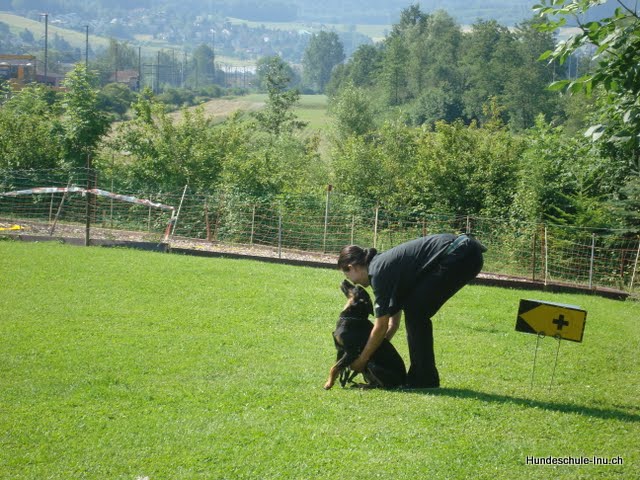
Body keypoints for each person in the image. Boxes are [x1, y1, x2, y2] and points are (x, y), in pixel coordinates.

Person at [337, 233, 486, 388]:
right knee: (415, 309)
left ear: (352, 267)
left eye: (347, 274)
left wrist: (362, 359)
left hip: (461, 254)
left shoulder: (378, 273)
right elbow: (392, 325)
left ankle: (423, 380)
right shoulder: (381, 268)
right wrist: (375, 352)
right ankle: (423, 378)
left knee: (416, 312)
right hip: (465, 252)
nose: (351, 281)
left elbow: (381, 326)